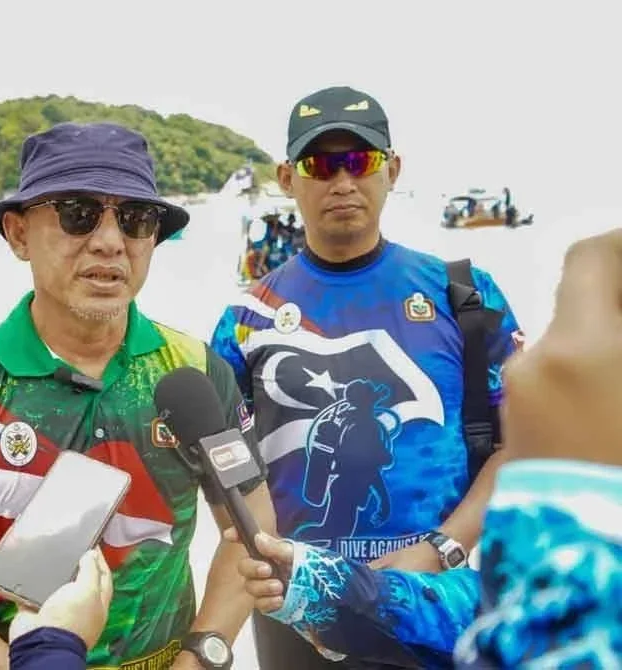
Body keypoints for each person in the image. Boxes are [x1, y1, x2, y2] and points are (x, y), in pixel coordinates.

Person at [0, 121, 276, 670]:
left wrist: (202, 654)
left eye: (136, 220)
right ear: (18, 234)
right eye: (76, 213)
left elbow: (249, 530)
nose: (110, 242)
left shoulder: (195, 372)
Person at [210, 85, 522, 669]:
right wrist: (267, 562)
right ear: (287, 177)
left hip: (432, 596)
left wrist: (442, 548)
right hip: (296, 608)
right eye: (320, 164)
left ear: (392, 169)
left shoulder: (465, 297)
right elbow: (224, 475)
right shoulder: (243, 323)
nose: (342, 181)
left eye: (360, 160)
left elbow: (524, 443)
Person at [228, 228, 622, 667]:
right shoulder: (245, 316)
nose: (524, 368)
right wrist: (312, 585)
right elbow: (487, 615)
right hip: (306, 601)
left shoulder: (570, 567)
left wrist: (440, 548)